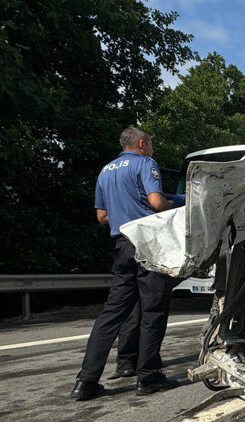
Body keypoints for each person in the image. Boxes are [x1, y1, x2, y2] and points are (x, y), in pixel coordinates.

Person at [71, 127, 179, 400]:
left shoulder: (105, 171)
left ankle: (85, 381)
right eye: (150, 143)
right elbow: (156, 202)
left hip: (123, 245)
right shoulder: (145, 163)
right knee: (153, 309)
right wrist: (176, 207)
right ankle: (149, 376)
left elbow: (102, 216)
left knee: (112, 313)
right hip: (149, 242)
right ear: (141, 143)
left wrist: (125, 210)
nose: (152, 148)